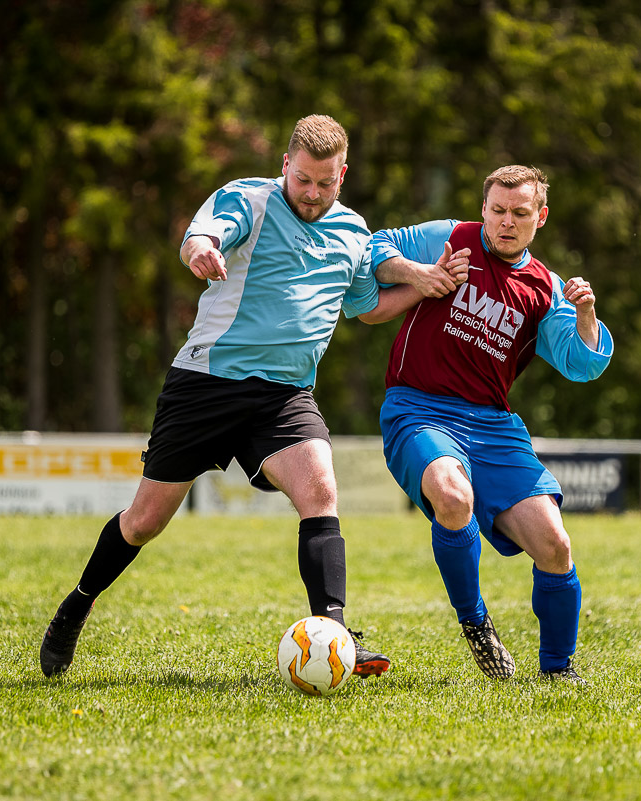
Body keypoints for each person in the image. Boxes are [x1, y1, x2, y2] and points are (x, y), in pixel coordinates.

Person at [38, 114, 439, 679]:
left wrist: (426, 287)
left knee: (321, 491)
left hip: (284, 397)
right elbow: (202, 235)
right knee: (144, 522)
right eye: (302, 179)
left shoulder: (354, 232)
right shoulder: (248, 200)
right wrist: (200, 250)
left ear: (343, 175)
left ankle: (334, 633)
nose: (312, 192)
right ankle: (76, 606)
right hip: (205, 386)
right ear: (285, 165)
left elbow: (368, 307)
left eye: (325, 182)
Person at [370, 165, 613, 684]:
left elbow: (580, 363)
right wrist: (418, 274)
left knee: (555, 545)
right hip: (419, 408)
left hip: (494, 427)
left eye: (520, 214)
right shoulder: (450, 238)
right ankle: (476, 623)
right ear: (484, 208)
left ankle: (557, 673)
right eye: (498, 211)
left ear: (540, 217)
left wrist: (587, 316)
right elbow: (375, 248)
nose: (506, 222)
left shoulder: (546, 289)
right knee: (453, 498)